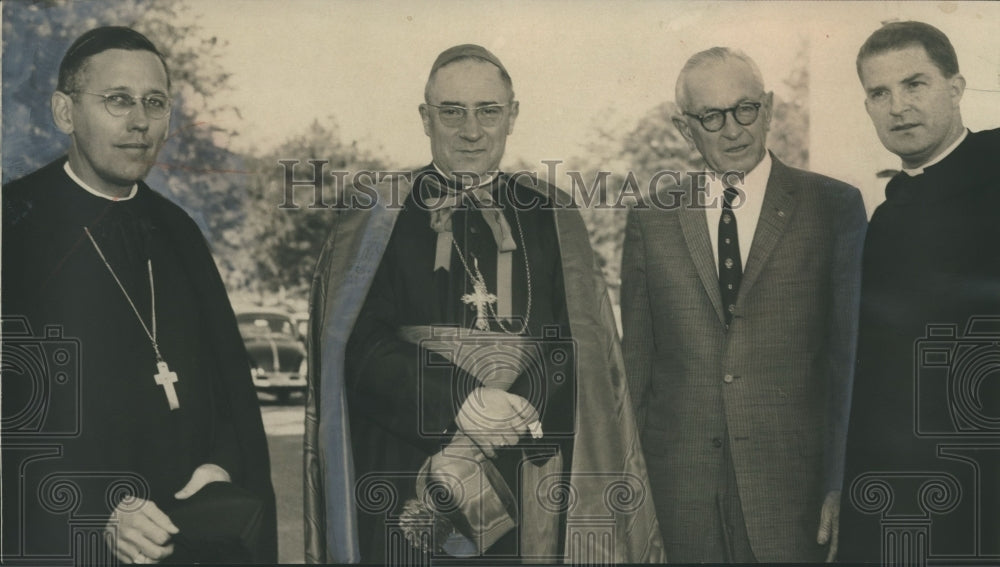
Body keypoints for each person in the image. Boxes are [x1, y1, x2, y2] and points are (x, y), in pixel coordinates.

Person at [304, 44, 663, 564]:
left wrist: (502, 419)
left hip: (523, 469)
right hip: (407, 471)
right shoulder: (376, 212)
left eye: (488, 111)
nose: (471, 130)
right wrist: (460, 401)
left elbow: (582, 343)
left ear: (512, 116)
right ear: (425, 118)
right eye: (452, 111)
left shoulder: (552, 214)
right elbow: (354, 346)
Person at [1, 27, 276, 564]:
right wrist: (97, 506)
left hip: (195, 535)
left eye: (155, 103)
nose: (139, 122)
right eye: (118, 100)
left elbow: (229, 391)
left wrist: (219, 467)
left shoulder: (177, 230)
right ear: (64, 112)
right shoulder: (13, 225)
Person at [620, 47, 867, 563]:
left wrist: (843, 484)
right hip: (681, 499)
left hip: (793, 498)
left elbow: (850, 364)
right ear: (684, 128)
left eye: (745, 109)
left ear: (770, 107)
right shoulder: (651, 220)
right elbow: (636, 371)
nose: (732, 129)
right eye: (711, 116)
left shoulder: (833, 206)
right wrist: (632, 495)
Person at [838, 21, 1000, 563]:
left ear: (955, 88)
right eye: (879, 93)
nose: (898, 107)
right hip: (899, 494)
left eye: (915, 84)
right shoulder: (884, 218)